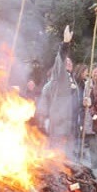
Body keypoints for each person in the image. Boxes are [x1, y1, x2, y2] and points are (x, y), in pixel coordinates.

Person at [36, 26, 79, 158]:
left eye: (70, 63)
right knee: (58, 156)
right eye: (66, 62)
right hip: (60, 124)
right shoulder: (60, 79)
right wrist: (65, 44)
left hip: (71, 123)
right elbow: (60, 61)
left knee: (68, 156)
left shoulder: (72, 80)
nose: (69, 64)